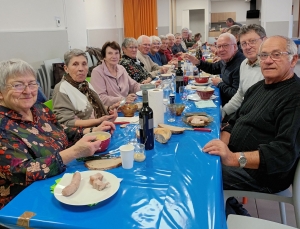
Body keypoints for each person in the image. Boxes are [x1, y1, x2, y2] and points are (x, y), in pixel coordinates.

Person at [203, 35, 300, 216]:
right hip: (238, 157)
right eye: (263, 55)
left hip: (262, 175)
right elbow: (235, 121)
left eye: (276, 55)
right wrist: (222, 143)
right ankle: (230, 205)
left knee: (202, 173)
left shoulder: (295, 97)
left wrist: (233, 158)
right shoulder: (258, 87)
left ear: (293, 59)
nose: (268, 61)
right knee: (199, 154)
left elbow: (283, 153)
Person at [0, 59, 116, 209]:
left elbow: (62, 132)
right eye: (17, 85)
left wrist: (94, 130)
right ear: (1, 93)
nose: (27, 91)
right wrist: (74, 152)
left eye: (32, 84)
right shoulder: (3, 126)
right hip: (25, 203)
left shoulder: (39, 110)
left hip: (61, 182)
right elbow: (23, 172)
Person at [53, 49, 118, 128]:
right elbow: (66, 123)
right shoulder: (62, 89)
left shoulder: (85, 84)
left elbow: (93, 107)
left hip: (100, 129)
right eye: (75, 64)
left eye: (84, 64)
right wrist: (98, 121)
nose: (81, 68)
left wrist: (110, 109)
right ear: (66, 68)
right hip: (84, 136)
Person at [186, 33, 245, 106]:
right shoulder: (226, 59)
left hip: (231, 107)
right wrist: (197, 62)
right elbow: (213, 68)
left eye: (225, 46)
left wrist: (219, 84)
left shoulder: (240, 65)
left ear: (235, 46)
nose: (221, 49)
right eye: (219, 46)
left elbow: (235, 94)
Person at [222, 24, 266, 119]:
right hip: (243, 116)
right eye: (244, 43)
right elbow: (240, 95)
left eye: (252, 41)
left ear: (264, 40)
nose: (248, 47)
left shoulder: (269, 68)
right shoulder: (244, 64)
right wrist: (224, 111)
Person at [92, 41, 141, 106]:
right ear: (104, 56)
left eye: (116, 53)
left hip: (126, 106)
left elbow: (134, 85)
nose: (114, 56)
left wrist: (150, 87)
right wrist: (123, 99)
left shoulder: (121, 69)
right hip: (110, 111)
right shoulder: (97, 72)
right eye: (110, 53)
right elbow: (101, 98)